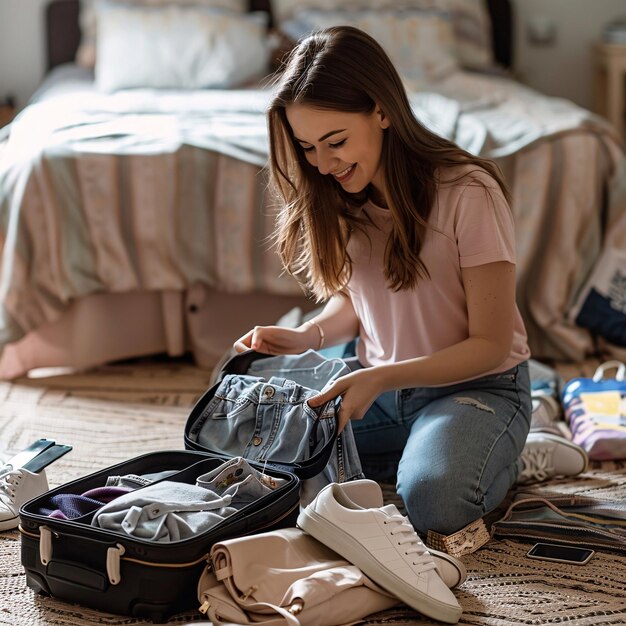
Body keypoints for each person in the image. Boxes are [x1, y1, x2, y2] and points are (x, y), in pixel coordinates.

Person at [234, 25, 538, 537]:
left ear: (382, 110)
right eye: (307, 147)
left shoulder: (468, 192)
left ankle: (506, 447)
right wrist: (308, 336)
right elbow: (356, 302)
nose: (323, 163)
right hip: (379, 385)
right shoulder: (336, 193)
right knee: (246, 440)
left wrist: (379, 377)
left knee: (434, 501)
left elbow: (490, 345)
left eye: (336, 141)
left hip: (475, 386)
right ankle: (421, 445)